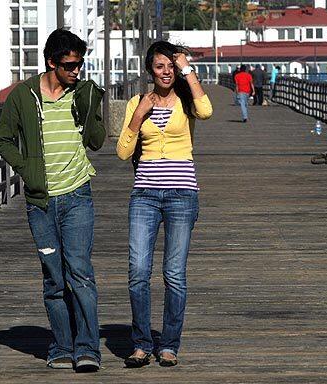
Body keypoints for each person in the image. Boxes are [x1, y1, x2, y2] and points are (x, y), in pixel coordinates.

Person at [0, 29, 104, 372]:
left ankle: (88, 347)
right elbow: (3, 140)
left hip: (77, 195)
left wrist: (91, 108)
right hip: (41, 202)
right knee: (54, 277)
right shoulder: (23, 96)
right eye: (70, 64)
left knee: (81, 273)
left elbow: (98, 141)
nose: (76, 70)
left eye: (80, 64)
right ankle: (61, 346)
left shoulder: (82, 91)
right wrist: (27, 168)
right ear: (51, 62)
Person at [116, 41, 212, 368]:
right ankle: (142, 343)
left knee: (174, 273)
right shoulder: (136, 102)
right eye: (160, 66)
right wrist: (138, 116)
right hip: (144, 195)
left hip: (181, 195)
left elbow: (207, 110)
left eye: (171, 66)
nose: (166, 72)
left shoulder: (187, 101)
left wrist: (188, 69)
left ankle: (169, 344)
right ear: (150, 70)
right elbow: (123, 152)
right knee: (138, 271)